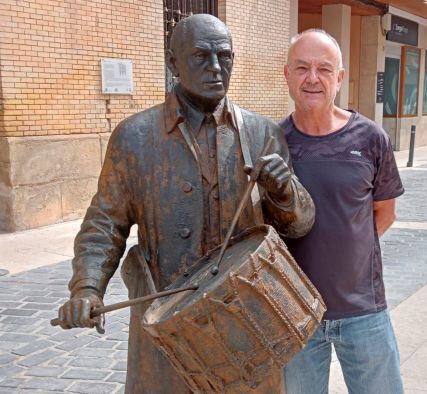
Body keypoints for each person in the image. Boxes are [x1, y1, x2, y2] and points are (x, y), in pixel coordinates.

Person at [55, 14, 315, 394]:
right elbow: (104, 224)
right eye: (200, 57)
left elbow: (299, 225)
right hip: (164, 327)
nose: (215, 68)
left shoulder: (262, 133)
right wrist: (87, 288)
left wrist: (284, 191)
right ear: (173, 63)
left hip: (245, 324)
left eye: (224, 57)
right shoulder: (134, 138)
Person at [280, 29, 405, 394]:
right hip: (295, 314)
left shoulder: (370, 139)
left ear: (340, 77)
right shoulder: (272, 142)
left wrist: (346, 249)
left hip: (363, 311)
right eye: (302, 68)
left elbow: (385, 212)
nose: (312, 78)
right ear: (286, 74)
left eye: (323, 68)